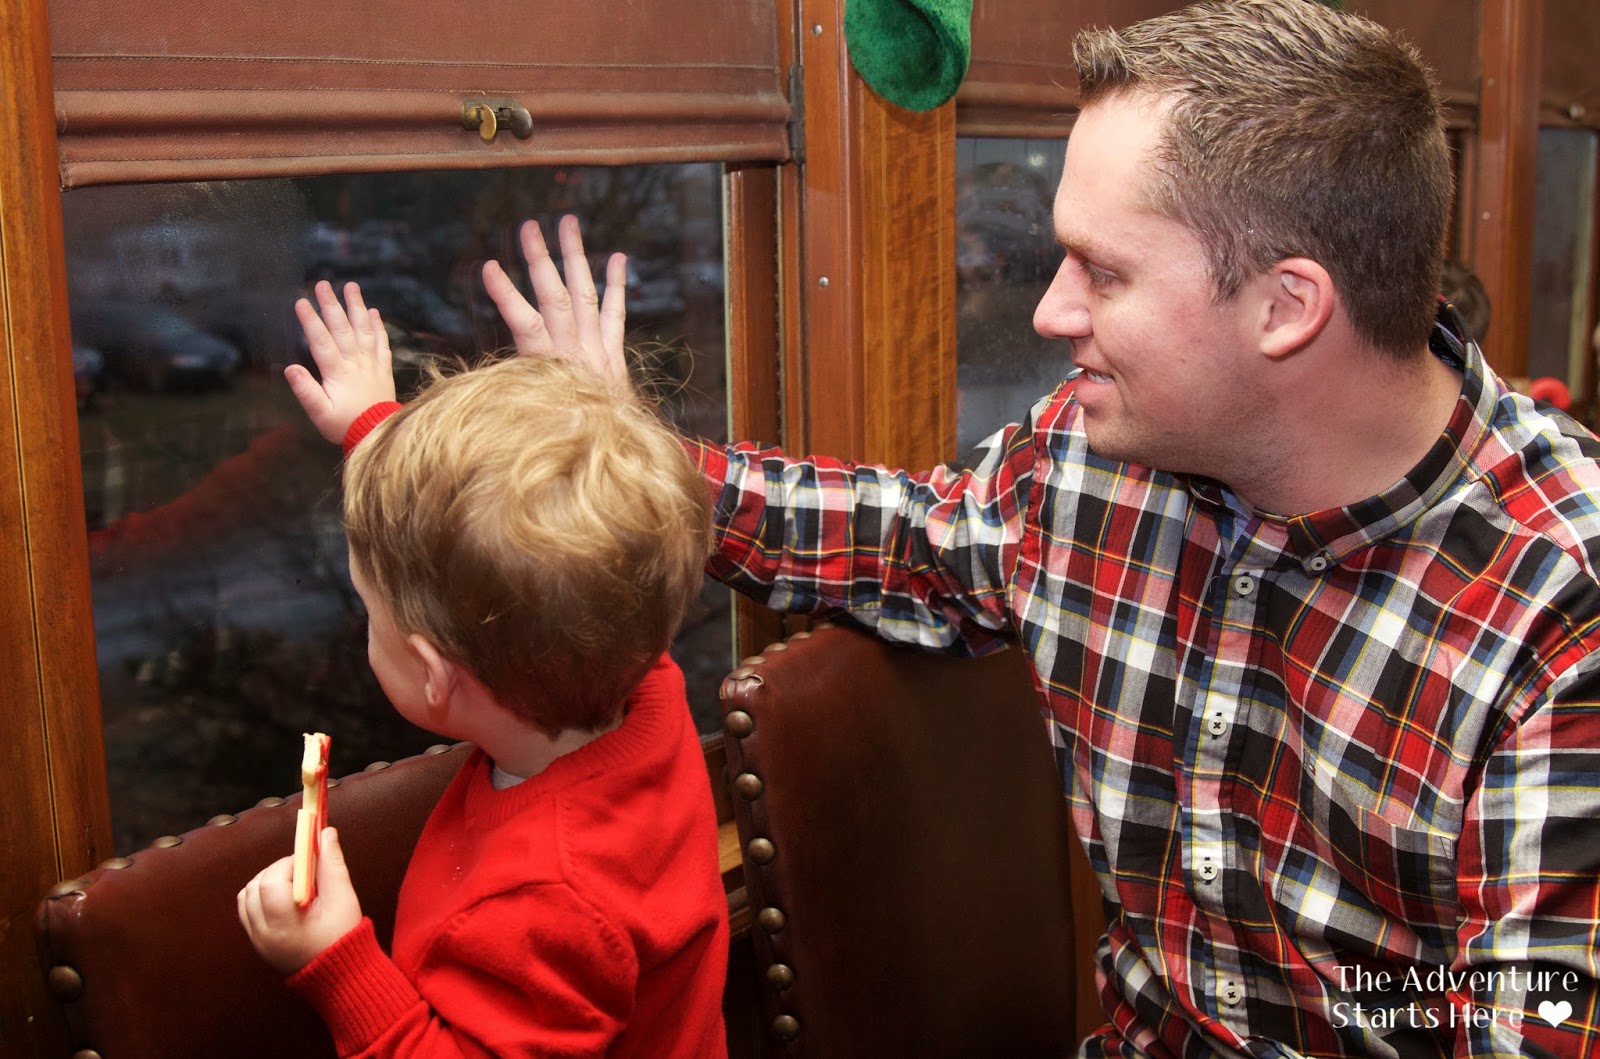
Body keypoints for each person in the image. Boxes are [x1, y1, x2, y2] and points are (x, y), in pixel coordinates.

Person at [304, 5, 1600, 1057]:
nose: (1049, 312)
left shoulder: (1562, 613)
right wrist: (610, 468)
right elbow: (907, 540)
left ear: (1286, 307)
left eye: (1103, 271)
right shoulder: (1094, 463)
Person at [235, 289, 728, 1058]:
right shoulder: (639, 675)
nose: (367, 622)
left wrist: (335, 962)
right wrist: (374, 429)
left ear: (436, 674)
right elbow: (530, 557)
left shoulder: (548, 905)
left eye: (371, 612)